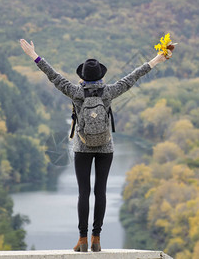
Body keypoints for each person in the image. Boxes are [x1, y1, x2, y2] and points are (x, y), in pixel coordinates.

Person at [19, 39, 169, 252]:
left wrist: (34, 55)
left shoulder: (75, 92)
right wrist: (156, 59)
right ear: (101, 76)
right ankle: (96, 238)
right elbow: (134, 76)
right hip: (105, 147)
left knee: (84, 193)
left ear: (82, 77)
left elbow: (53, 76)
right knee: (101, 192)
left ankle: (82, 240)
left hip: (82, 147)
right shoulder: (109, 92)